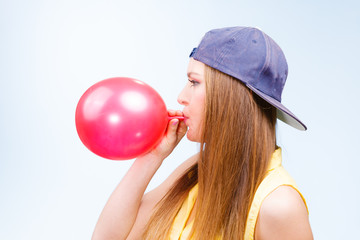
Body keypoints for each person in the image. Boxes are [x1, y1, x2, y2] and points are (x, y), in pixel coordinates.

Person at [92, 27, 313, 240]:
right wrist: (151, 158)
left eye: (194, 82)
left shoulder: (279, 205)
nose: (181, 96)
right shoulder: (195, 170)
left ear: (231, 98)